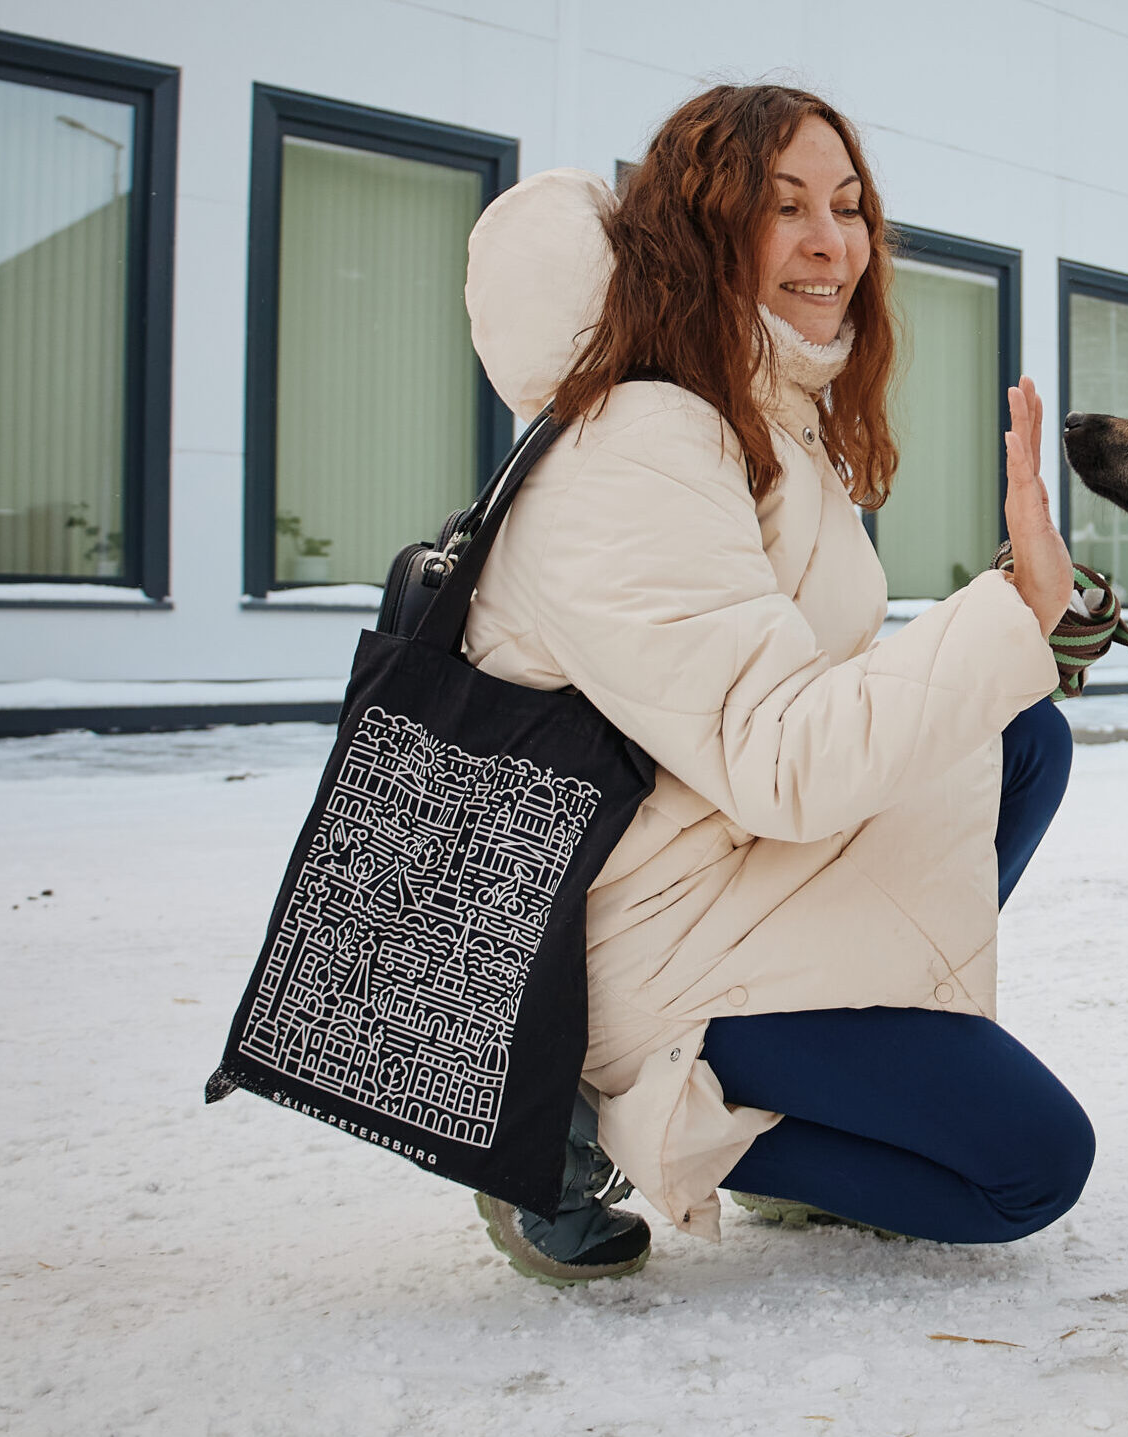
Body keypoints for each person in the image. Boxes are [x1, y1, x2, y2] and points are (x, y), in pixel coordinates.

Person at [458, 84, 1090, 1283]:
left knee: (1020, 741)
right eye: (782, 206)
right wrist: (1009, 616)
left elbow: (807, 694)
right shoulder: (635, 446)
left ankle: (836, 1105)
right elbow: (781, 757)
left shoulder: (752, 412)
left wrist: (1018, 631)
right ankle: (599, 1111)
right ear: (700, 230)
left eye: (848, 208)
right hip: (640, 941)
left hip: (730, 856)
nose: (829, 242)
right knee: (1026, 1167)